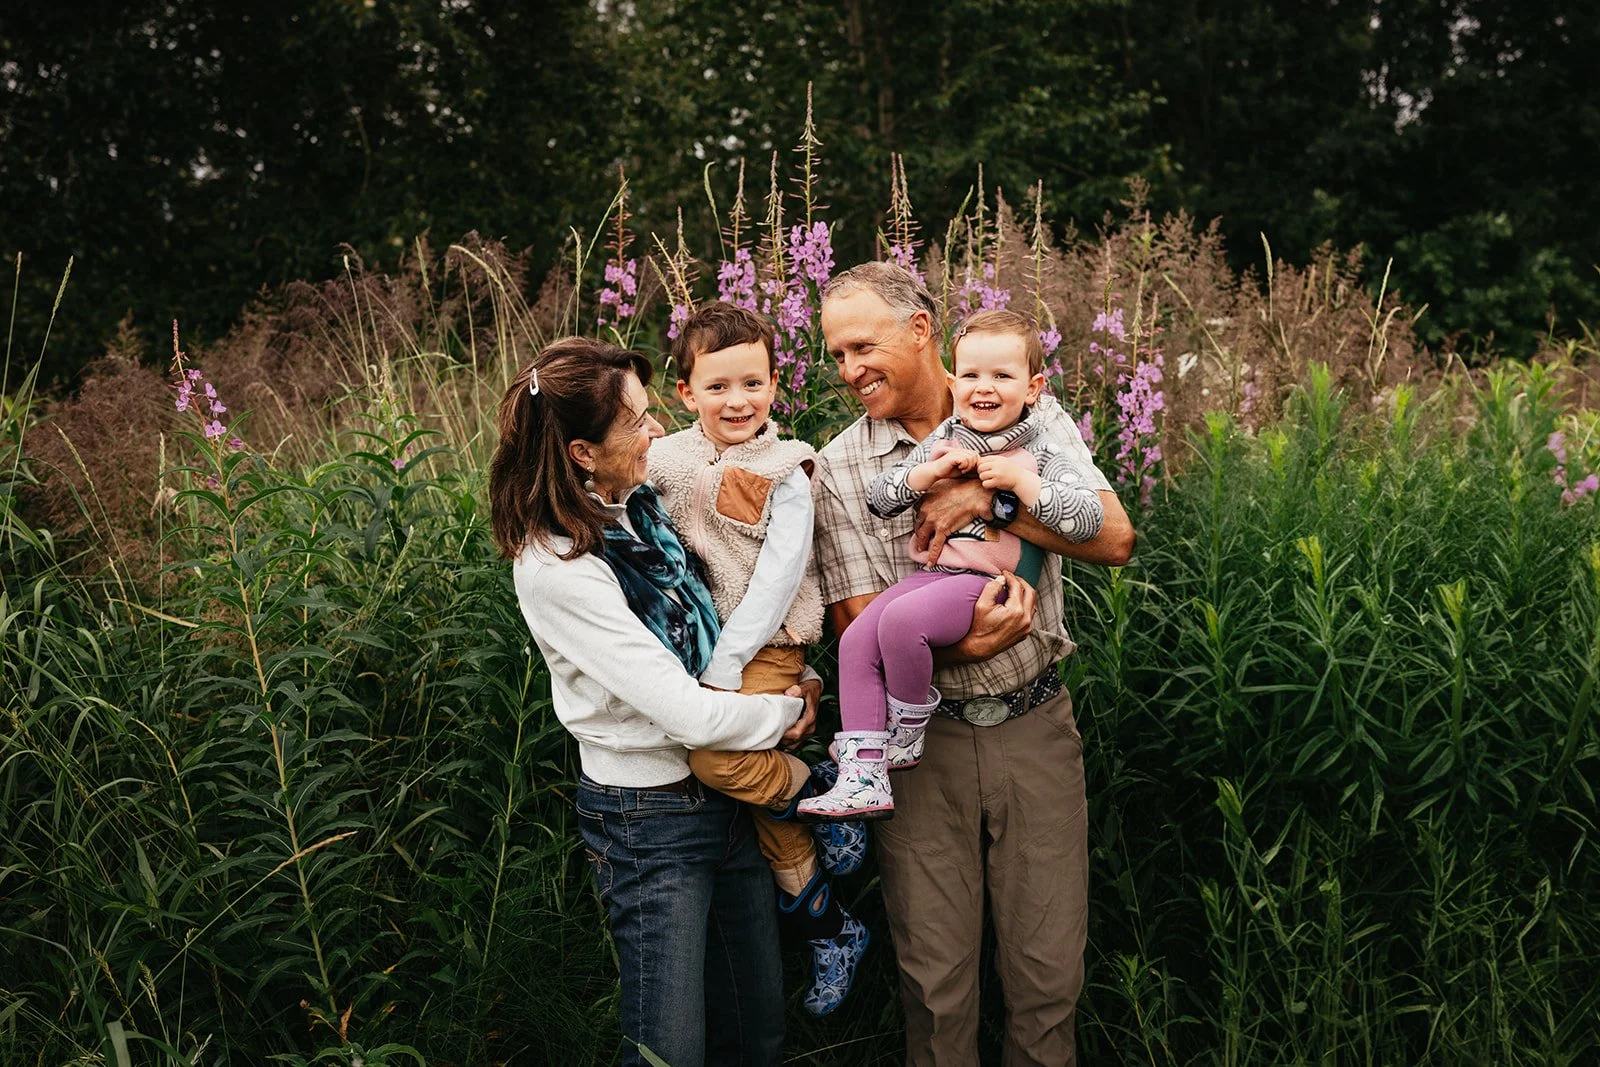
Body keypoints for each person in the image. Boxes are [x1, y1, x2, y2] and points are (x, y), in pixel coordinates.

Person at [812, 262, 1135, 1066]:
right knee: (935, 984)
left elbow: (1116, 538)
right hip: (924, 751)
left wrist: (990, 501)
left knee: (1047, 974)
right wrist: (971, 642)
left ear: (920, 332)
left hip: (1034, 725)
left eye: (863, 346)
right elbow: (859, 623)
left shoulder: (1024, 406)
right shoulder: (845, 467)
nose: (850, 370)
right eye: (837, 354)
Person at [489, 336, 818, 1067]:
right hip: (650, 820)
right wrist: (784, 714)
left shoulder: (636, 503)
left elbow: (727, 612)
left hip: (724, 790)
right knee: (669, 1050)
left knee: (755, 1029)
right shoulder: (558, 566)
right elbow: (688, 713)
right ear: (581, 451)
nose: (657, 432)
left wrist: (798, 679)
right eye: (636, 424)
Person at [648, 300, 870, 1016]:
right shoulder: (668, 457)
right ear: (685, 394)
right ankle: (833, 927)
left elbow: (777, 583)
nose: (736, 401)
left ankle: (824, 789)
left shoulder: (788, 470)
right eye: (717, 387)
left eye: (752, 383)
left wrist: (723, 663)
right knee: (771, 826)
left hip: (765, 647)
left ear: (776, 384)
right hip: (699, 648)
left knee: (718, 761)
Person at [799, 309, 1107, 821]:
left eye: (1001, 376)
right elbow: (882, 496)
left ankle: (905, 733)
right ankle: (864, 775)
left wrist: (1015, 484)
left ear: (1033, 388)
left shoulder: (1041, 444)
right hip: (937, 575)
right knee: (855, 641)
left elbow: (1088, 518)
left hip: (989, 582)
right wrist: (929, 472)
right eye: (971, 376)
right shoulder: (949, 434)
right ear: (953, 379)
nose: (983, 388)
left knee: (899, 622)